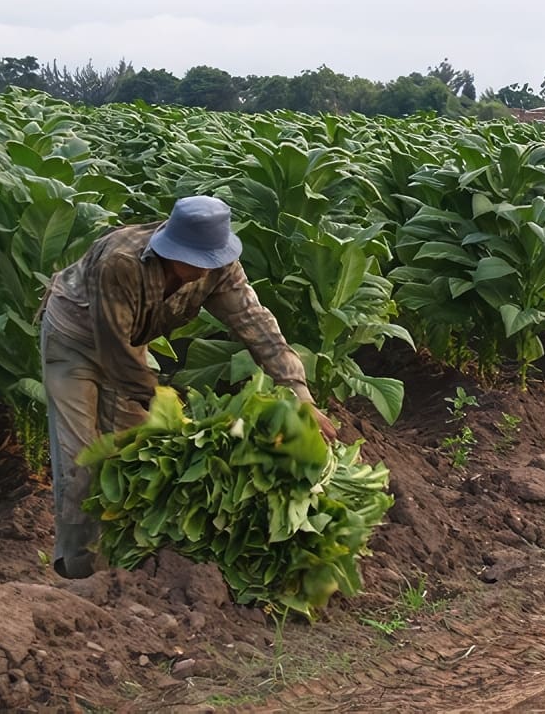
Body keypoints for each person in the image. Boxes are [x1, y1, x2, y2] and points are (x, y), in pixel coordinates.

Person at [39, 195, 337, 579]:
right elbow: (115, 349)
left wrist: (300, 395)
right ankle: (79, 570)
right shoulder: (121, 261)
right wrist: (165, 406)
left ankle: (123, 565)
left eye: (211, 261)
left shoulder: (221, 268)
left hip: (129, 345)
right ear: (168, 248)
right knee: (82, 456)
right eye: (195, 260)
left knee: (135, 453)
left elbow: (256, 324)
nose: (203, 270)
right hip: (75, 341)